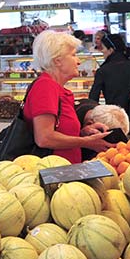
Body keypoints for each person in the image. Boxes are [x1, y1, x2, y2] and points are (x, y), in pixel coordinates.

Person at [24, 31, 117, 163]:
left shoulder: (56, 89)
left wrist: (83, 132)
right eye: (73, 55)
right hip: (54, 173)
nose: (78, 61)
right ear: (58, 61)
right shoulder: (45, 86)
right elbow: (44, 138)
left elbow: (59, 132)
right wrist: (86, 142)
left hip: (64, 171)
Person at [89, 32, 130, 137]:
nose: (102, 52)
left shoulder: (103, 71)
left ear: (111, 50)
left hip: (117, 122)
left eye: (103, 49)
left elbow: (93, 98)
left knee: (120, 152)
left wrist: (90, 120)